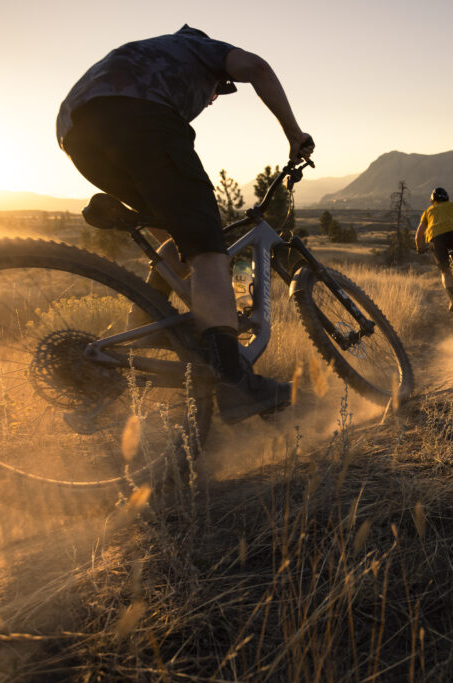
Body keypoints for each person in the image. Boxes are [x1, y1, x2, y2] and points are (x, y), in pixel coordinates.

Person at [56, 25, 314, 423]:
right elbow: (259, 68)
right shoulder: (201, 49)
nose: (212, 100)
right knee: (208, 248)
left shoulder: (148, 55)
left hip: (77, 134)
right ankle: (234, 383)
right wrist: (295, 135)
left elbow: (180, 244)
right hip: (137, 117)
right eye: (218, 91)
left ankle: (143, 332)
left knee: (183, 241)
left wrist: (212, 297)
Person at [414, 187, 453, 311]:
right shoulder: (452, 206)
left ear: (433, 200)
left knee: (445, 271)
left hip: (436, 239)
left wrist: (419, 248)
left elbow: (418, 235)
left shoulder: (428, 211)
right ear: (446, 197)